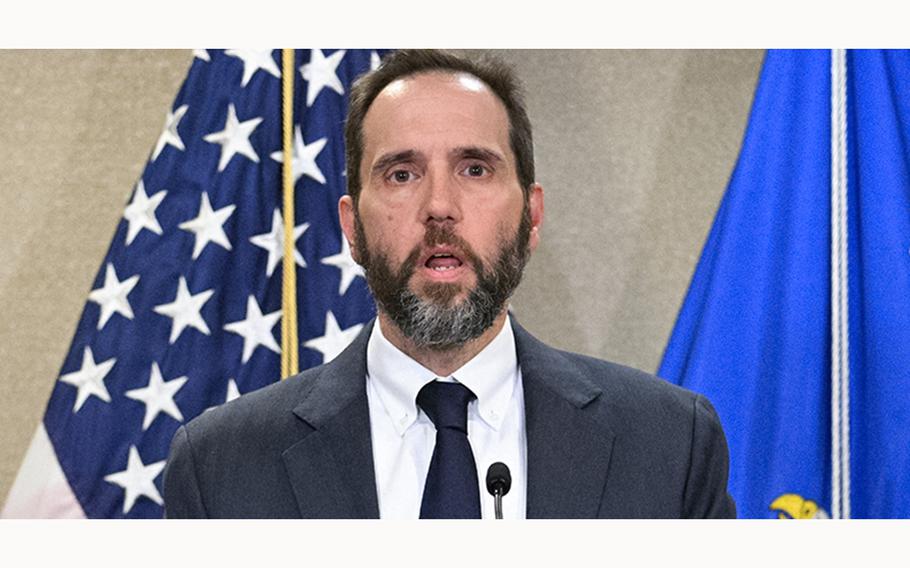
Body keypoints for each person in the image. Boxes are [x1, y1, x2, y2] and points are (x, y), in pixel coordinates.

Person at [163, 49, 736, 519]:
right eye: (402, 174)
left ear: (531, 217)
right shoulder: (220, 467)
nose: (440, 207)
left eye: (475, 169)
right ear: (351, 227)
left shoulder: (669, 445)